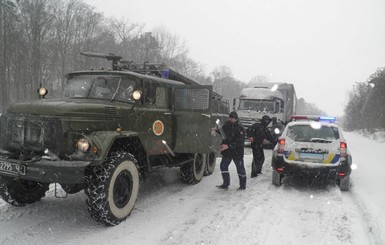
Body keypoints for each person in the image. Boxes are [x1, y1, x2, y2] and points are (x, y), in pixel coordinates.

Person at [215, 111, 247, 190]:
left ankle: (242, 186)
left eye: (232, 118)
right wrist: (216, 130)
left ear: (236, 119)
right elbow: (223, 132)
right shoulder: (227, 124)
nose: (230, 119)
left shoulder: (240, 128)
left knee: (240, 168)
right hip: (227, 152)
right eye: (229, 118)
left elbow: (240, 142)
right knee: (223, 166)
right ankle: (226, 183)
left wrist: (228, 146)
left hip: (237, 152)